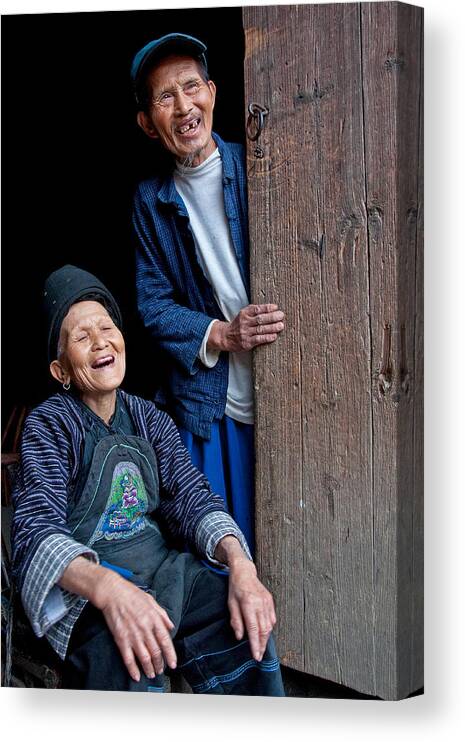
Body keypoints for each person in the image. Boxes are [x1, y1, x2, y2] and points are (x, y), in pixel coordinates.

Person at [10, 264, 284, 695]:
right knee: (131, 655)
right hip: (89, 589)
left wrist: (242, 567)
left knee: (242, 626)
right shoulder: (50, 424)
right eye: (81, 337)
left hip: (161, 572)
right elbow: (35, 529)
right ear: (61, 371)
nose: (100, 340)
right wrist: (110, 590)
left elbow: (193, 499)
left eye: (106, 327)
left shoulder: (149, 418)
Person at [131, 33, 285, 554]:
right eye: (164, 97)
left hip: (293, 394)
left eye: (191, 87)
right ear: (147, 123)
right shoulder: (150, 203)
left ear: (213, 93)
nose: (183, 107)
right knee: (227, 553)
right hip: (212, 407)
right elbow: (152, 306)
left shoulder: (261, 170)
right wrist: (221, 332)